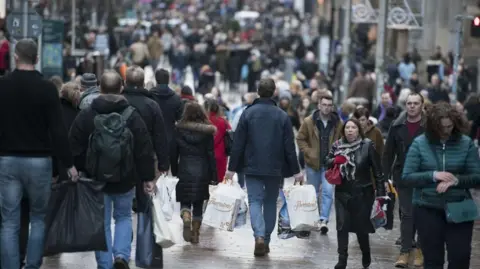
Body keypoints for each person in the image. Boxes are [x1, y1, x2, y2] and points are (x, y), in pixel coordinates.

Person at [0, 39, 78, 269]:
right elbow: (58, 130)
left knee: (9, 221)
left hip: (7, 160)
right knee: (38, 218)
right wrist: (69, 164)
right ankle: (33, 265)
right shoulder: (46, 89)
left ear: (15, 57)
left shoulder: (2, 86)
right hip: (39, 162)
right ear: (36, 59)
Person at [69, 71, 155, 269]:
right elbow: (144, 148)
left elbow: (74, 143)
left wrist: (79, 168)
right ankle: (122, 256)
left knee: (102, 222)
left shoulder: (88, 114)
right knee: (124, 216)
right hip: (126, 178)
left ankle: (105, 264)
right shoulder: (132, 115)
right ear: (121, 88)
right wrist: (147, 177)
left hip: (96, 179)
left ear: (100, 89)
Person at [225, 78, 302, 257]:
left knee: (254, 201)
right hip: (275, 168)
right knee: (269, 202)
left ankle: (258, 236)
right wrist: (296, 171)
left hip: (251, 167)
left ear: (258, 92)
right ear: (274, 92)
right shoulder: (282, 116)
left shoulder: (248, 113)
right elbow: (289, 146)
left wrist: (231, 168)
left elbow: (238, 144)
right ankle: (265, 239)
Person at [402, 102, 480, 269]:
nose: (446, 131)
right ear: (433, 126)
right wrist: (433, 175)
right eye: (442, 127)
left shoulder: (466, 143)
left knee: (460, 258)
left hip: (459, 207)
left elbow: (477, 177)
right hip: (427, 208)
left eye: (450, 126)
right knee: (433, 260)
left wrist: (456, 180)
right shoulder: (419, 143)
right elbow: (407, 177)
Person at [326, 118, 386, 269]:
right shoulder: (337, 145)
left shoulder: (367, 146)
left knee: (361, 229)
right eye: (347, 128)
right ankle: (342, 259)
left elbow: (378, 172)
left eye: (353, 127)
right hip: (342, 193)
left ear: (358, 130)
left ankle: (366, 253)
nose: (350, 130)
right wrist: (335, 160)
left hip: (363, 194)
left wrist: (380, 194)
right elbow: (326, 161)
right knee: (342, 226)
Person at [383, 92, 426, 268]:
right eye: (409, 103)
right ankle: (405, 251)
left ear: (422, 105)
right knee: (407, 214)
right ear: (405, 105)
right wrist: (384, 178)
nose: (412, 106)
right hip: (403, 175)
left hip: (425, 176)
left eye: (416, 103)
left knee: (423, 214)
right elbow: (388, 153)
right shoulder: (397, 125)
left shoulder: (430, 125)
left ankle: (421, 250)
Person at [296, 94, 343, 234]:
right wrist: (308, 152)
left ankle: (323, 220)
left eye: (329, 105)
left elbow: (342, 140)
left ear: (333, 107)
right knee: (313, 193)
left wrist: (338, 154)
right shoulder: (309, 121)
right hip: (312, 163)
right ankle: (312, 219)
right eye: (324, 104)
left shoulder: (338, 123)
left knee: (328, 192)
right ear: (319, 105)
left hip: (329, 164)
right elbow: (300, 139)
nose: (327, 108)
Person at [174, 102, 217, 244]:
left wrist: (174, 169)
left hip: (185, 167)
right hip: (202, 169)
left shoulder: (179, 129)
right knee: (198, 202)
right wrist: (214, 175)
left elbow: (174, 152)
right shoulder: (207, 132)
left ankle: (186, 216)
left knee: (185, 199)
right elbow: (211, 154)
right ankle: (196, 233)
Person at [150, 69, 183, 175]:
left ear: (156, 79)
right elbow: (180, 119)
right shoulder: (176, 99)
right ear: (168, 80)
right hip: (171, 140)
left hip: (152, 140)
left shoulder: (149, 96)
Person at [204, 98, 231, 183]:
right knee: (218, 185)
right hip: (220, 156)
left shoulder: (203, 121)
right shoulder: (224, 121)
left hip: (205, 155)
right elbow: (230, 134)